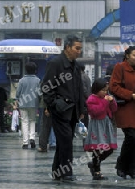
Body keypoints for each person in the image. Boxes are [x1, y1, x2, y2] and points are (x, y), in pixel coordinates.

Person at [41, 35, 85, 182]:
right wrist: (54, 104)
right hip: (60, 110)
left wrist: (81, 109)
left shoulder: (76, 66)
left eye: (80, 49)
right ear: (67, 47)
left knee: (63, 141)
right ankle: (66, 172)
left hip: (73, 111)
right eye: (76, 48)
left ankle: (57, 171)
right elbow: (46, 87)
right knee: (66, 140)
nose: (79, 51)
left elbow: (79, 89)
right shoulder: (55, 63)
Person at [110, 46, 135, 179]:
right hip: (125, 109)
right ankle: (121, 165)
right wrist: (130, 95)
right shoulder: (120, 67)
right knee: (130, 137)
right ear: (127, 55)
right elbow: (113, 86)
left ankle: (132, 170)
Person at [83, 78, 118, 180]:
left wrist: (112, 102)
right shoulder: (91, 99)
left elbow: (114, 109)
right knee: (97, 149)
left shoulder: (106, 98)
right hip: (97, 125)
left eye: (106, 90)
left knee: (110, 148)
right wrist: (105, 102)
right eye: (103, 90)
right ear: (96, 89)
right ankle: (97, 171)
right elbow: (96, 112)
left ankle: (94, 163)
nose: (105, 92)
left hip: (106, 124)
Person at [15, 62, 40, 149]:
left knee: (24, 121)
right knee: (32, 120)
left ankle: (25, 142)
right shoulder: (38, 80)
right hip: (33, 103)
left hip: (23, 103)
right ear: (35, 70)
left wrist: (16, 99)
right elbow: (39, 92)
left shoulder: (22, 80)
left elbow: (18, 92)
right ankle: (32, 138)